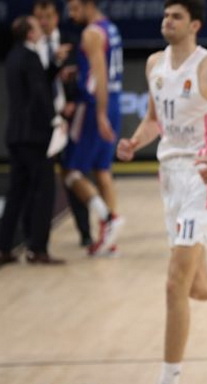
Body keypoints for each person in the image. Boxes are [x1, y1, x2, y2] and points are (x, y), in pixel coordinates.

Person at [116, 1, 207, 384]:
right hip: (171, 180)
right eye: (165, 15)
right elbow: (153, 120)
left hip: (204, 179)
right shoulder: (153, 65)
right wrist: (135, 140)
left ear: (195, 24)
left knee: (174, 283)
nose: (168, 21)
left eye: (176, 16)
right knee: (199, 286)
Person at [0, 15, 67, 265]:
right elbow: (40, 93)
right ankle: (37, 249)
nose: (41, 30)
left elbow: (36, 84)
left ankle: (4, 248)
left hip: (16, 135)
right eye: (37, 27)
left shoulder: (13, 57)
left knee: (16, 192)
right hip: (35, 136)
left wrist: (56, 65)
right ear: (29, 33)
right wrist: (55, 120)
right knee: (44, 191)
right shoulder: (30, 58)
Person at [62, 0, 124, 256]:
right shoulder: (110, 27)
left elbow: (99, 75)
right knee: (102, 169)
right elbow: (103, 67)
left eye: (76, 8)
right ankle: (109, 240)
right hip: (115, 102)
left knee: (70, 171)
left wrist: (99, 114)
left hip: (93, 106)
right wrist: (78, 69)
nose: (72, 13)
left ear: (89, 4)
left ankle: (108, 217)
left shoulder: (90, 33)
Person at [33, 0, 93, 248]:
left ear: (57, 17)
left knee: (74, 174)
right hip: (41, 122)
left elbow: (85, 75)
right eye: (39, 17)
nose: (44, 22)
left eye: (48, 16)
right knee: (41, 181)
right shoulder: (30, 45)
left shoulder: (72, 40)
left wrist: (72, 100)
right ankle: (36, 237)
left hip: (69, 120)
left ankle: (86, 233)